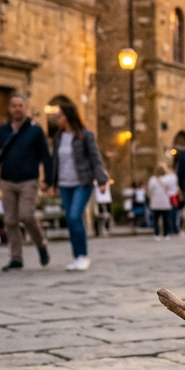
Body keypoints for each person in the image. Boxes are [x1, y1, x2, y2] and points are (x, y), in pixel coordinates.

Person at [0, 92, 52, 271]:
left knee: (26, 215)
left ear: (25, 108)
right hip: (7, 180)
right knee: (10, 220)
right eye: (14, 106)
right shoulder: (3, 130)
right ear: (9, 109)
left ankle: (41, 244)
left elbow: (46, 156)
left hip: (29, 180)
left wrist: (48, 180)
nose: (17, 109)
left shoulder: (35, 130)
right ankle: (16, 258)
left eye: (20, 105)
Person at [50, 98, 109, 271]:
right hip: (64, 184)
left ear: (68, 116)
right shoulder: (58, 137)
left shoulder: (85, 135)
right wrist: (52, 184)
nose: (57, 118)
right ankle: (76, 257)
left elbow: (95, 159)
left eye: (59, 115)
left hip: (82, 183)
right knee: (70, 220)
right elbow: (55, 162)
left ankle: (83, 256)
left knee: (75, 216)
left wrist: (102, 180)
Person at [148, 165, 174, 240]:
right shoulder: (167, 179)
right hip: (165, 201)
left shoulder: (152, 179)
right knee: (166, 219)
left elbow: (150, 190)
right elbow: (171, 189)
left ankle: (157, 234)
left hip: (155, 202)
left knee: (156, 220)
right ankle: (166, 234)